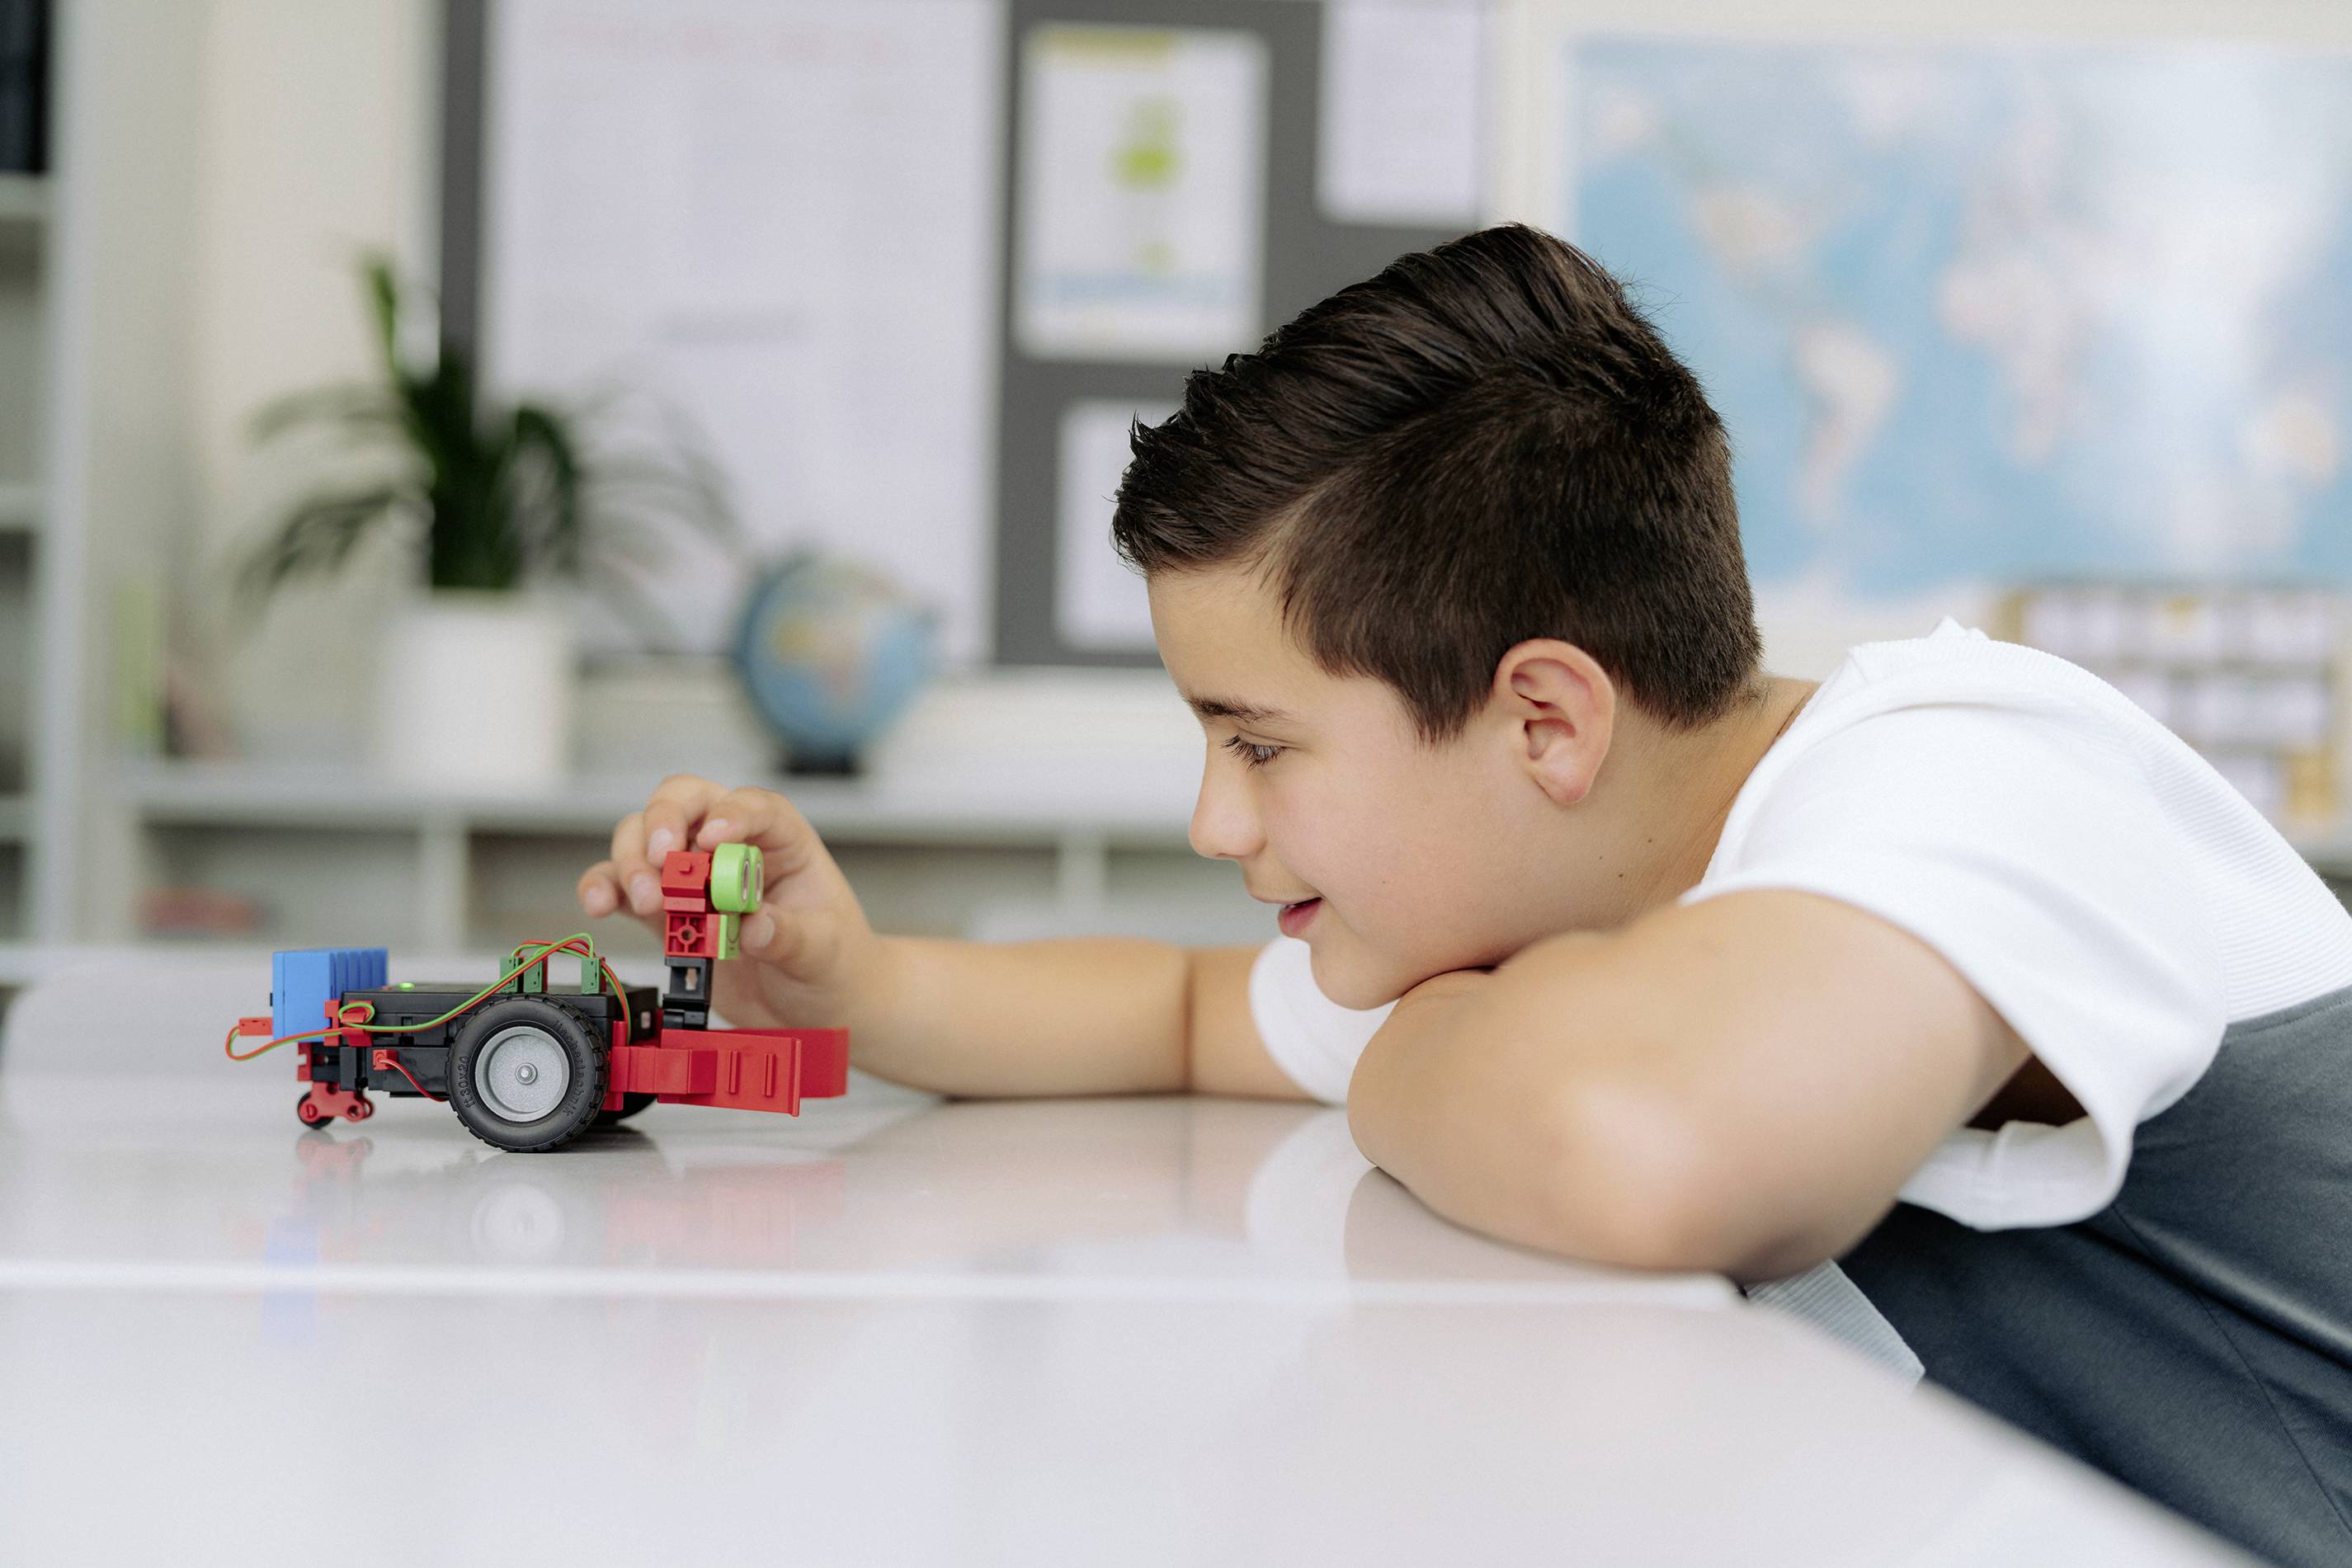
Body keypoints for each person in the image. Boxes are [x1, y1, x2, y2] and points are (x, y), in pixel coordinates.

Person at [578, 224, 2352, 1565]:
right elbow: (1188, 1014)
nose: (1214, 821)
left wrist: (1414, 1040)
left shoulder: (1979, 771)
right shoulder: (1579, 903)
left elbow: (1647, 1153)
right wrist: (855, 989)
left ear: (1543, 718)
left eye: (1259, 745)